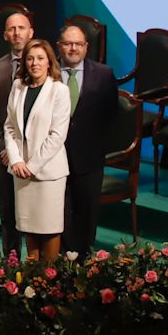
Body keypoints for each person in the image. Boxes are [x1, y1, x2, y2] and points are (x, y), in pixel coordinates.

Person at [4, 39, 71, 261]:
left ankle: (49, 280)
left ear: (49, 61)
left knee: (49, 228)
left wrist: (32, 166)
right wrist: (16, 160)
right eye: (30, 58)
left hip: (47, 173)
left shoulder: (59, 91)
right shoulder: (18, 86)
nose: (35, 63)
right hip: (21, 172)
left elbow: (57, 135)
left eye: (40, 58)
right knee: (29, 227)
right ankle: (33, 281)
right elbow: (10, 126)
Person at [58, 23, 119, 257]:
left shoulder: (103, 74)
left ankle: (84, 260)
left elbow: (111, 115)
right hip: (54, 156)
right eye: (67, 43)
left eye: (78, 44)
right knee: (59, 213)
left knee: (86, 212)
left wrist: (99, 147)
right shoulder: (48, 71)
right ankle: (60, 262)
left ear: (86, 47)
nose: (73, 48)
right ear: (59, 46)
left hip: (89, 158)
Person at [0, 11, 35, 259]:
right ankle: (10, 261)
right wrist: (2, 150)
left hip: (37, 156)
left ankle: (40, 264)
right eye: (11, 29)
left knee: (38, 214)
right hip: (6, 154)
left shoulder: (45, 64)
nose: (17, 33)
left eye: (21, 28)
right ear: (5, 34)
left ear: (31, 32)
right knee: (8, 212)